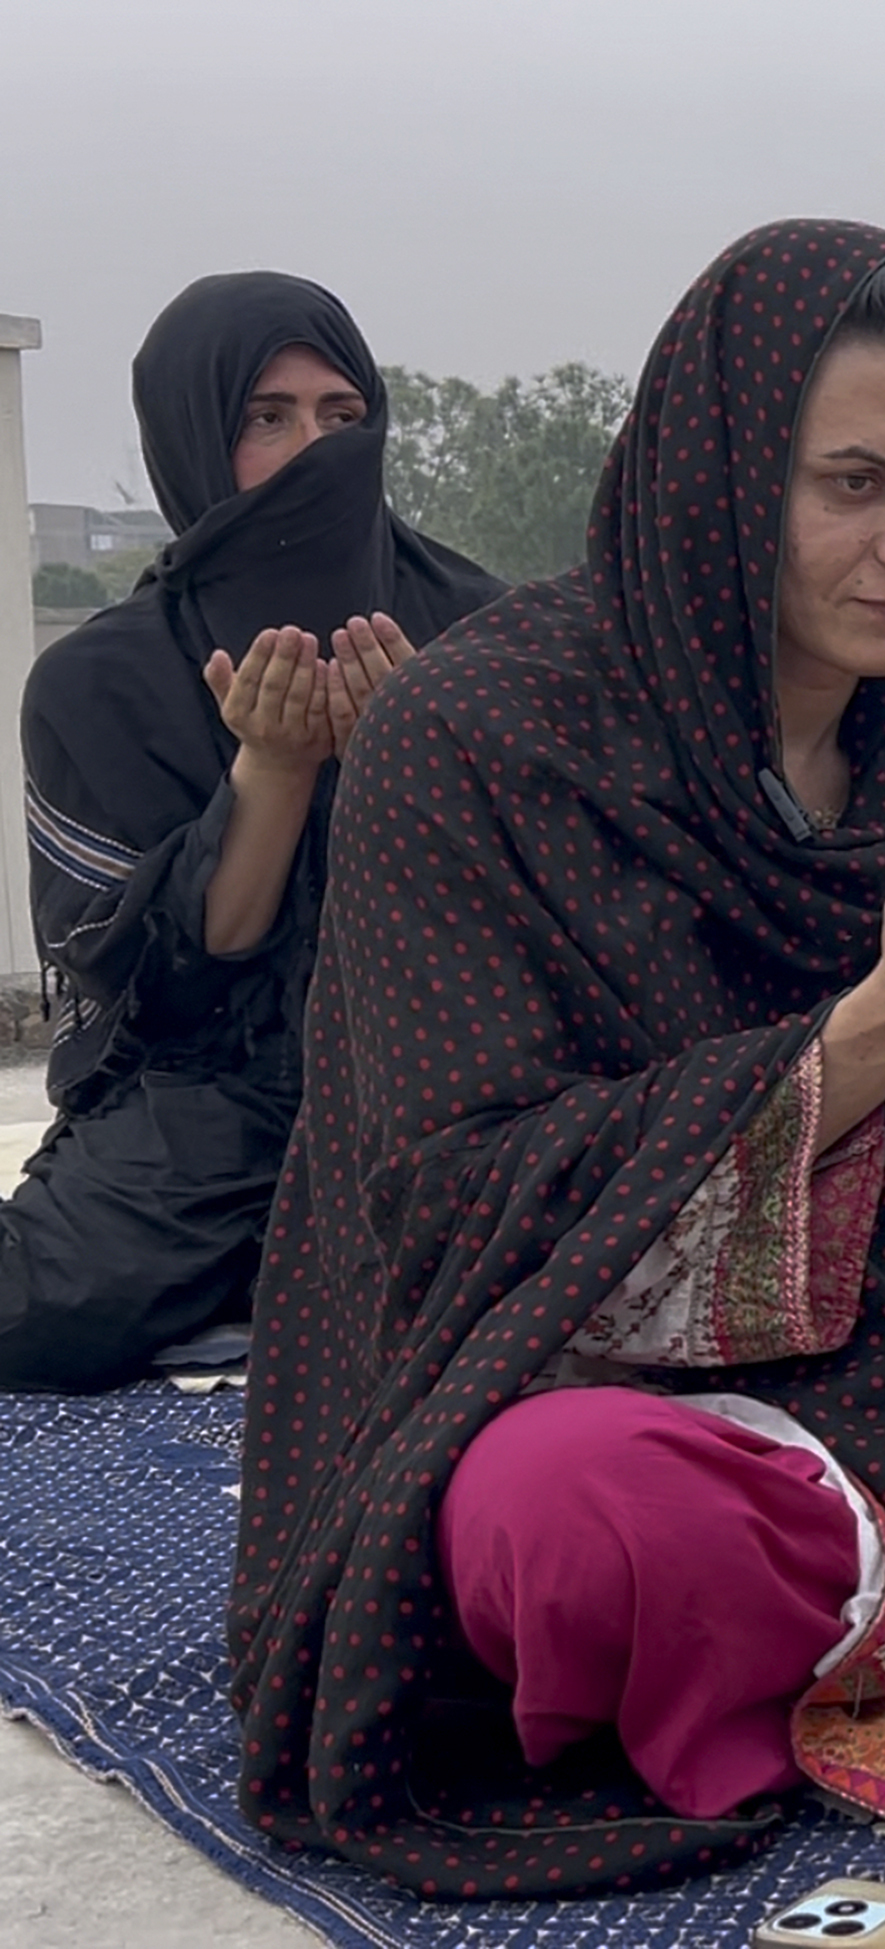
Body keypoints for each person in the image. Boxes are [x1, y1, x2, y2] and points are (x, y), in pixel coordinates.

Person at [231, 223, 885, 1893]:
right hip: (576, 1386)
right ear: (718, 470)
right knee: (566, 1516)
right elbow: (449, 1213)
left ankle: (876, 1593)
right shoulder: (470, 743)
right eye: (853, 482)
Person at [0, 273, 501, 1391]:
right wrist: (274, 770)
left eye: (342, 417)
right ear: (192, 438)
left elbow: (536, 915)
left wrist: (413, 759)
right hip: (222, 1089)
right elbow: (170, 993)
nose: (315, 449)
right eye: (267, 419)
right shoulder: (102, 682)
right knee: (35, 1308)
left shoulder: (480, 627)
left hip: (451, 1071)